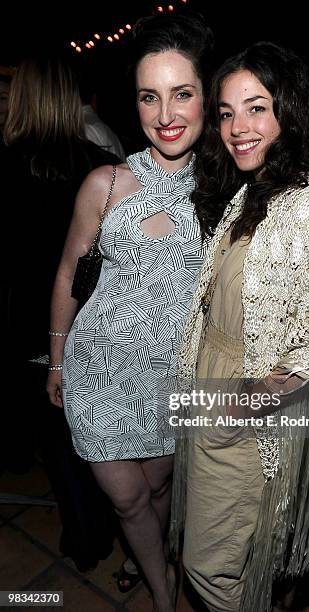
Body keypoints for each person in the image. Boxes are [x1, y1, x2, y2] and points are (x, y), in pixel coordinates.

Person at [170, 41, 309, 612]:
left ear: (287, 113)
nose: (237, 127)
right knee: (219, 560)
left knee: (213, 567)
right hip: (211, 394)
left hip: (248, 421)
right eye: (226, 112)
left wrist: (236, 414)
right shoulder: (254, 191)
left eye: (256, 107)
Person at [47, 13, 213, 612]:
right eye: (150, 97)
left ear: (206, 99)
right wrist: (57, 359)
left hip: (172, 377)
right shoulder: (106, 184)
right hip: (98, 374)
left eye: (182, 94)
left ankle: (150, 555)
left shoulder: (225, 194)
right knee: (126, 498)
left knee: (161, 484)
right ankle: (162, 592)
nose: (166, 114)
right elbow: (69, 272)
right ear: (135, 104)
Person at [1, 55, 121, 568]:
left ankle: (86, 540)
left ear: (25, 97)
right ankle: (103, 529)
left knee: (58, 442)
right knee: (89, 437)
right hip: (92, 321)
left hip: (29, 323)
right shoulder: (99, 163)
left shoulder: (6, 163)